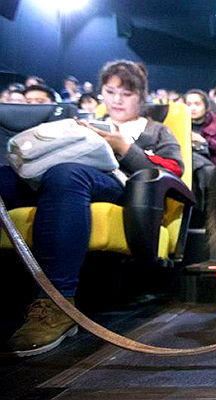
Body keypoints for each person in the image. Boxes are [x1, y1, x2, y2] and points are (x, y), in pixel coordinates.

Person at [1, 60, 184, 356]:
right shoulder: (81, 120)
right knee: (6, 177)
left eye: (127, 93)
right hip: (55, 176)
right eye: (110, 92)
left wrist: (124, 147)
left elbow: (174, 170)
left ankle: (57, 302)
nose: (117, 100)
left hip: (119, 187)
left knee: (67, 174)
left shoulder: (155, 131)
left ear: (141, 96)